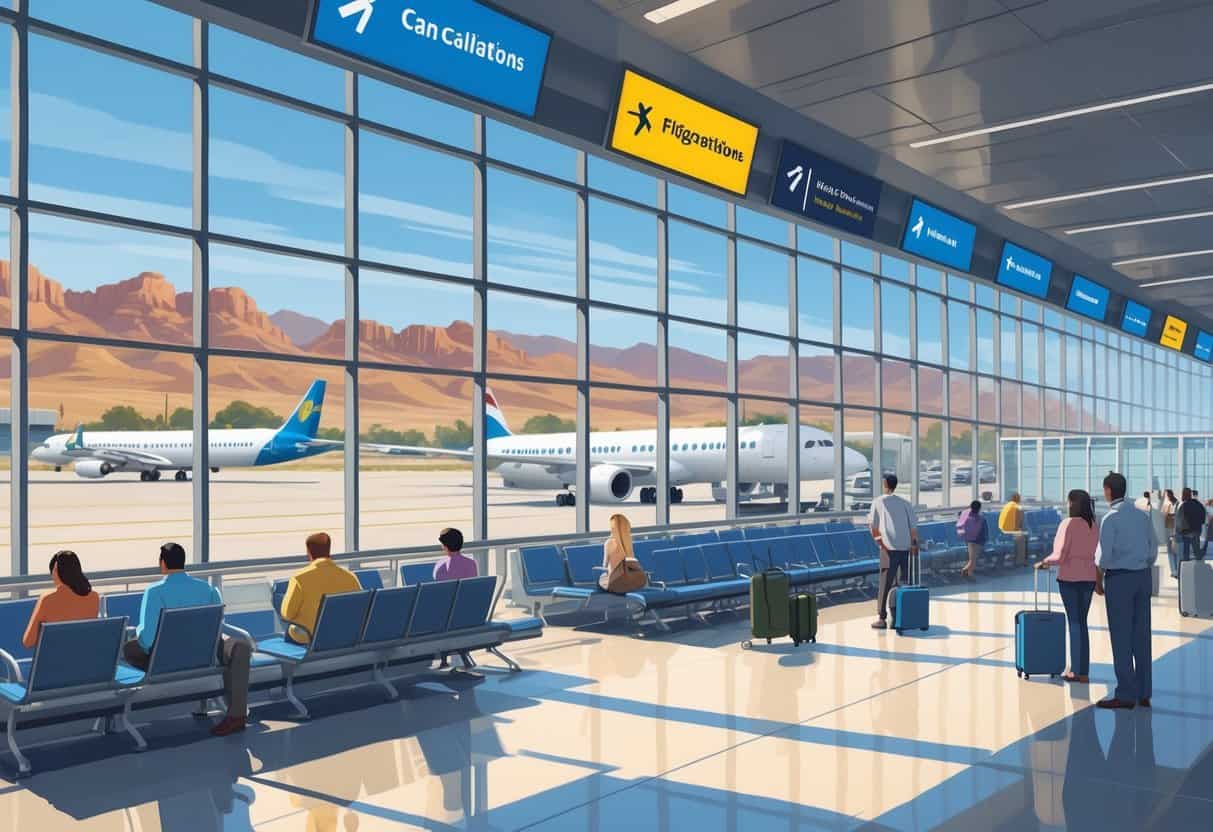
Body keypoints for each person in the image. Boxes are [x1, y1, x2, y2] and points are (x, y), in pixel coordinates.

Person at [123, 542, 252, 736]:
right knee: (237, 646)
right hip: (202, 657)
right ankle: (235, 712)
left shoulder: (154, 592)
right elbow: (216, 625)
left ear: (162, 563)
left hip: (166, 660)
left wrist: (136, 634)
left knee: (129, 648)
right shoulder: (208, 590)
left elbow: (148, 640)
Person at [1094, 472, 1157, 709]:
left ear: (1108, 490)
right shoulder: (1143, 516)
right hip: (1142, 577)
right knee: (1141, 635)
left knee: (1121, 636)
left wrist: (1098, 580)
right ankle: (1143, 692)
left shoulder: (1110, 519)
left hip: (1120, 579)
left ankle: (1125, 694)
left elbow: (1104, 556)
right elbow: (1152, 549)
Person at [1037, 490, 1099, 683]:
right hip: (1088, 577)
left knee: (1074, 623)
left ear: (1073, 503)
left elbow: (1060, 554)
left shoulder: (1068, 524)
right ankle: (1084, 672)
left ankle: (1075, 670)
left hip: (1070, 578)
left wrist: (1044, 561)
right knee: (1082, 622)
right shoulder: (1093, 525)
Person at [281, 532, 361, 644]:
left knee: (290, 627)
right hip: (342, 634)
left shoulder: (299, 578)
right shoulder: (350, 577)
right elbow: (359, 609)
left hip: (309, 637)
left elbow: (287, 614)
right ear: (329, 551)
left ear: (309, 552)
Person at [868, 474, 918, 630]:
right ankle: (902, 616)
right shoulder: (906, 503)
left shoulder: (878, 502)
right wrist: (913, 545)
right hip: (905, 548)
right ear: (895, 485)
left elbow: (873, 527)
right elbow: (913, 529)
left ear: (884, 484)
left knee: (885, 584)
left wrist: (881, 544)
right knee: (903, 583)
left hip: (888, 549)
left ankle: (882, 618)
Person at [21, 550, 100, 649]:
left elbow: (28, 641)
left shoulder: (47, 599)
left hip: (53, 661)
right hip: (82, 658)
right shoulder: (94, 597)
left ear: (57, 571)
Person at [600, 513, 633, 591]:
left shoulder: (609, 543)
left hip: (614, 583)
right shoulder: (628, 541)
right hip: (628, 582)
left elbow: (604, 566)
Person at [1176, 488, 1207, 567]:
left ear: (1184, 495)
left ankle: (1185, 571)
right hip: (1196, 530)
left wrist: (1178, 532)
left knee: (1185, 553)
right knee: (1197, 552)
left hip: (1186, 532)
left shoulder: (1183, 505)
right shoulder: (1198, 504)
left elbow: (1179, 520)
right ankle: (1199, 568)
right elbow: (1203, 518)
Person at [956, 500, 987, 579]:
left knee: (972, 559)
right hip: (977, 541)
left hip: (969, 540)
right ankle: (965, 572)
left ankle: (969, 574)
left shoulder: (966, 515)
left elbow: (960, 526)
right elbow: (984, 531)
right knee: (973, 560)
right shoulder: (981, 519)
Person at [998, 492, 1027, 567]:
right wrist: (1021, 529)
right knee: (1021, 537)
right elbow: (1019, 520)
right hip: (1008, 531)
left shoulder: (1007, 505)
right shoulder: (1017, 506)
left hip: (1000, 530)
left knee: (1020, 535)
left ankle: (1013, 557)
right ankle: (1019, 561)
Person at [1163, 489, 1179, 578]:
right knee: (1170, 551)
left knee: (1174, 551)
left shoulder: (1177, 504)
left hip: (1175, 530)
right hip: (1169, 529)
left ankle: (1176, 571)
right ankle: (1173, 571)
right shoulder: (1168, 504)